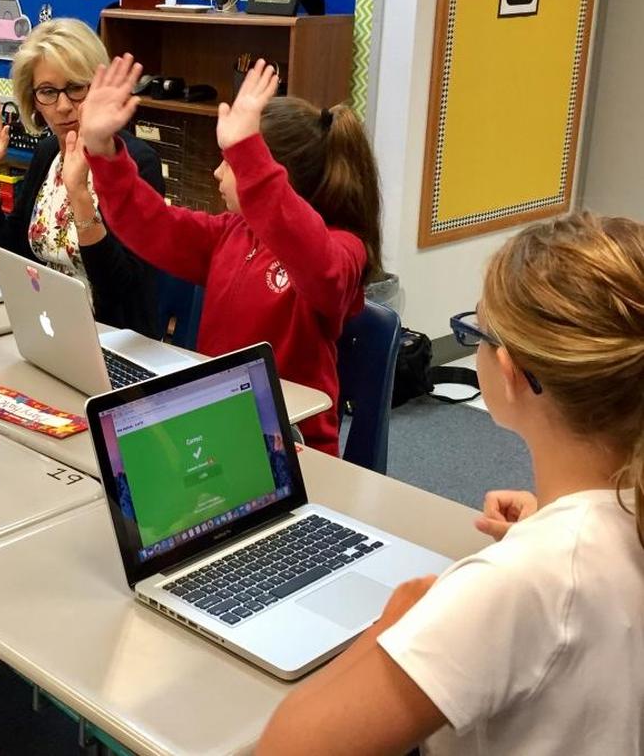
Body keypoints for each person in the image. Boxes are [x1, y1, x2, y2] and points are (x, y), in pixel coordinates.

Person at [255, 211, 644, 755]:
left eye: (475, 332)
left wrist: (392, 628)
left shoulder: (516, 587)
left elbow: (284, 749)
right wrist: (555, 520)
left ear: (509, 370)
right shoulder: (620, 520)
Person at [78, 56, 382, 456]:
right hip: (220, 429)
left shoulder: (344, 248)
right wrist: (102, 148)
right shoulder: (233, 233)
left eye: (232, 162)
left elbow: (320, 268)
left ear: (276, 174)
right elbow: (152, 224)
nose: (218, 173)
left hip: (292, 446)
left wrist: (249, 155)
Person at [0, 19, 166, 338]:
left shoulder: (137, 163)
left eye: (76, 88)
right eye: (48, 91)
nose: (63, 106)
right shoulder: (49, 153)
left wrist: (80, 197)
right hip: (47, 328)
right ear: (33, 101)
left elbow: (122, 294)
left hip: (113, 341)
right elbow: (7, 265)